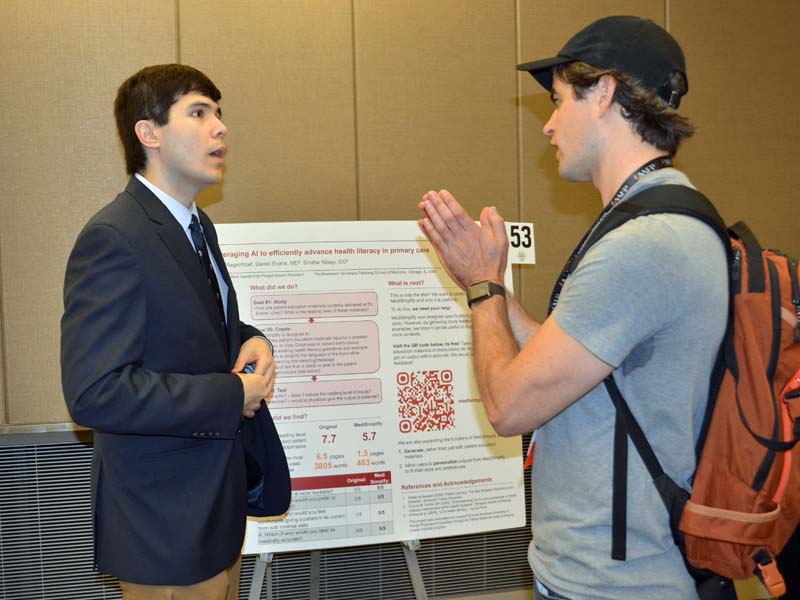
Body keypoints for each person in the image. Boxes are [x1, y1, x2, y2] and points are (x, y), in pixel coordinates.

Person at [418, 16, 728, 600]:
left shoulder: (646, 244)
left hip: (617, 583)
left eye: (559, 101)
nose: (549, 125)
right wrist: (493, 285)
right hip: (621, 572)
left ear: (604, 92)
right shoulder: (665, 219)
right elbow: (571, 362)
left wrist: (482, 290)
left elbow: (510, 406)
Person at [61, 64, 288, 599]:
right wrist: (233, 394)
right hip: (165, 526)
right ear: (149, 133)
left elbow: (193, 325)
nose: (221, 127)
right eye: (199, 112)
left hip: (215, 510)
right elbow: (97, 392)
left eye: (219, 113)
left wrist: (251, 337)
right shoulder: (114, 237)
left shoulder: (195, 224)